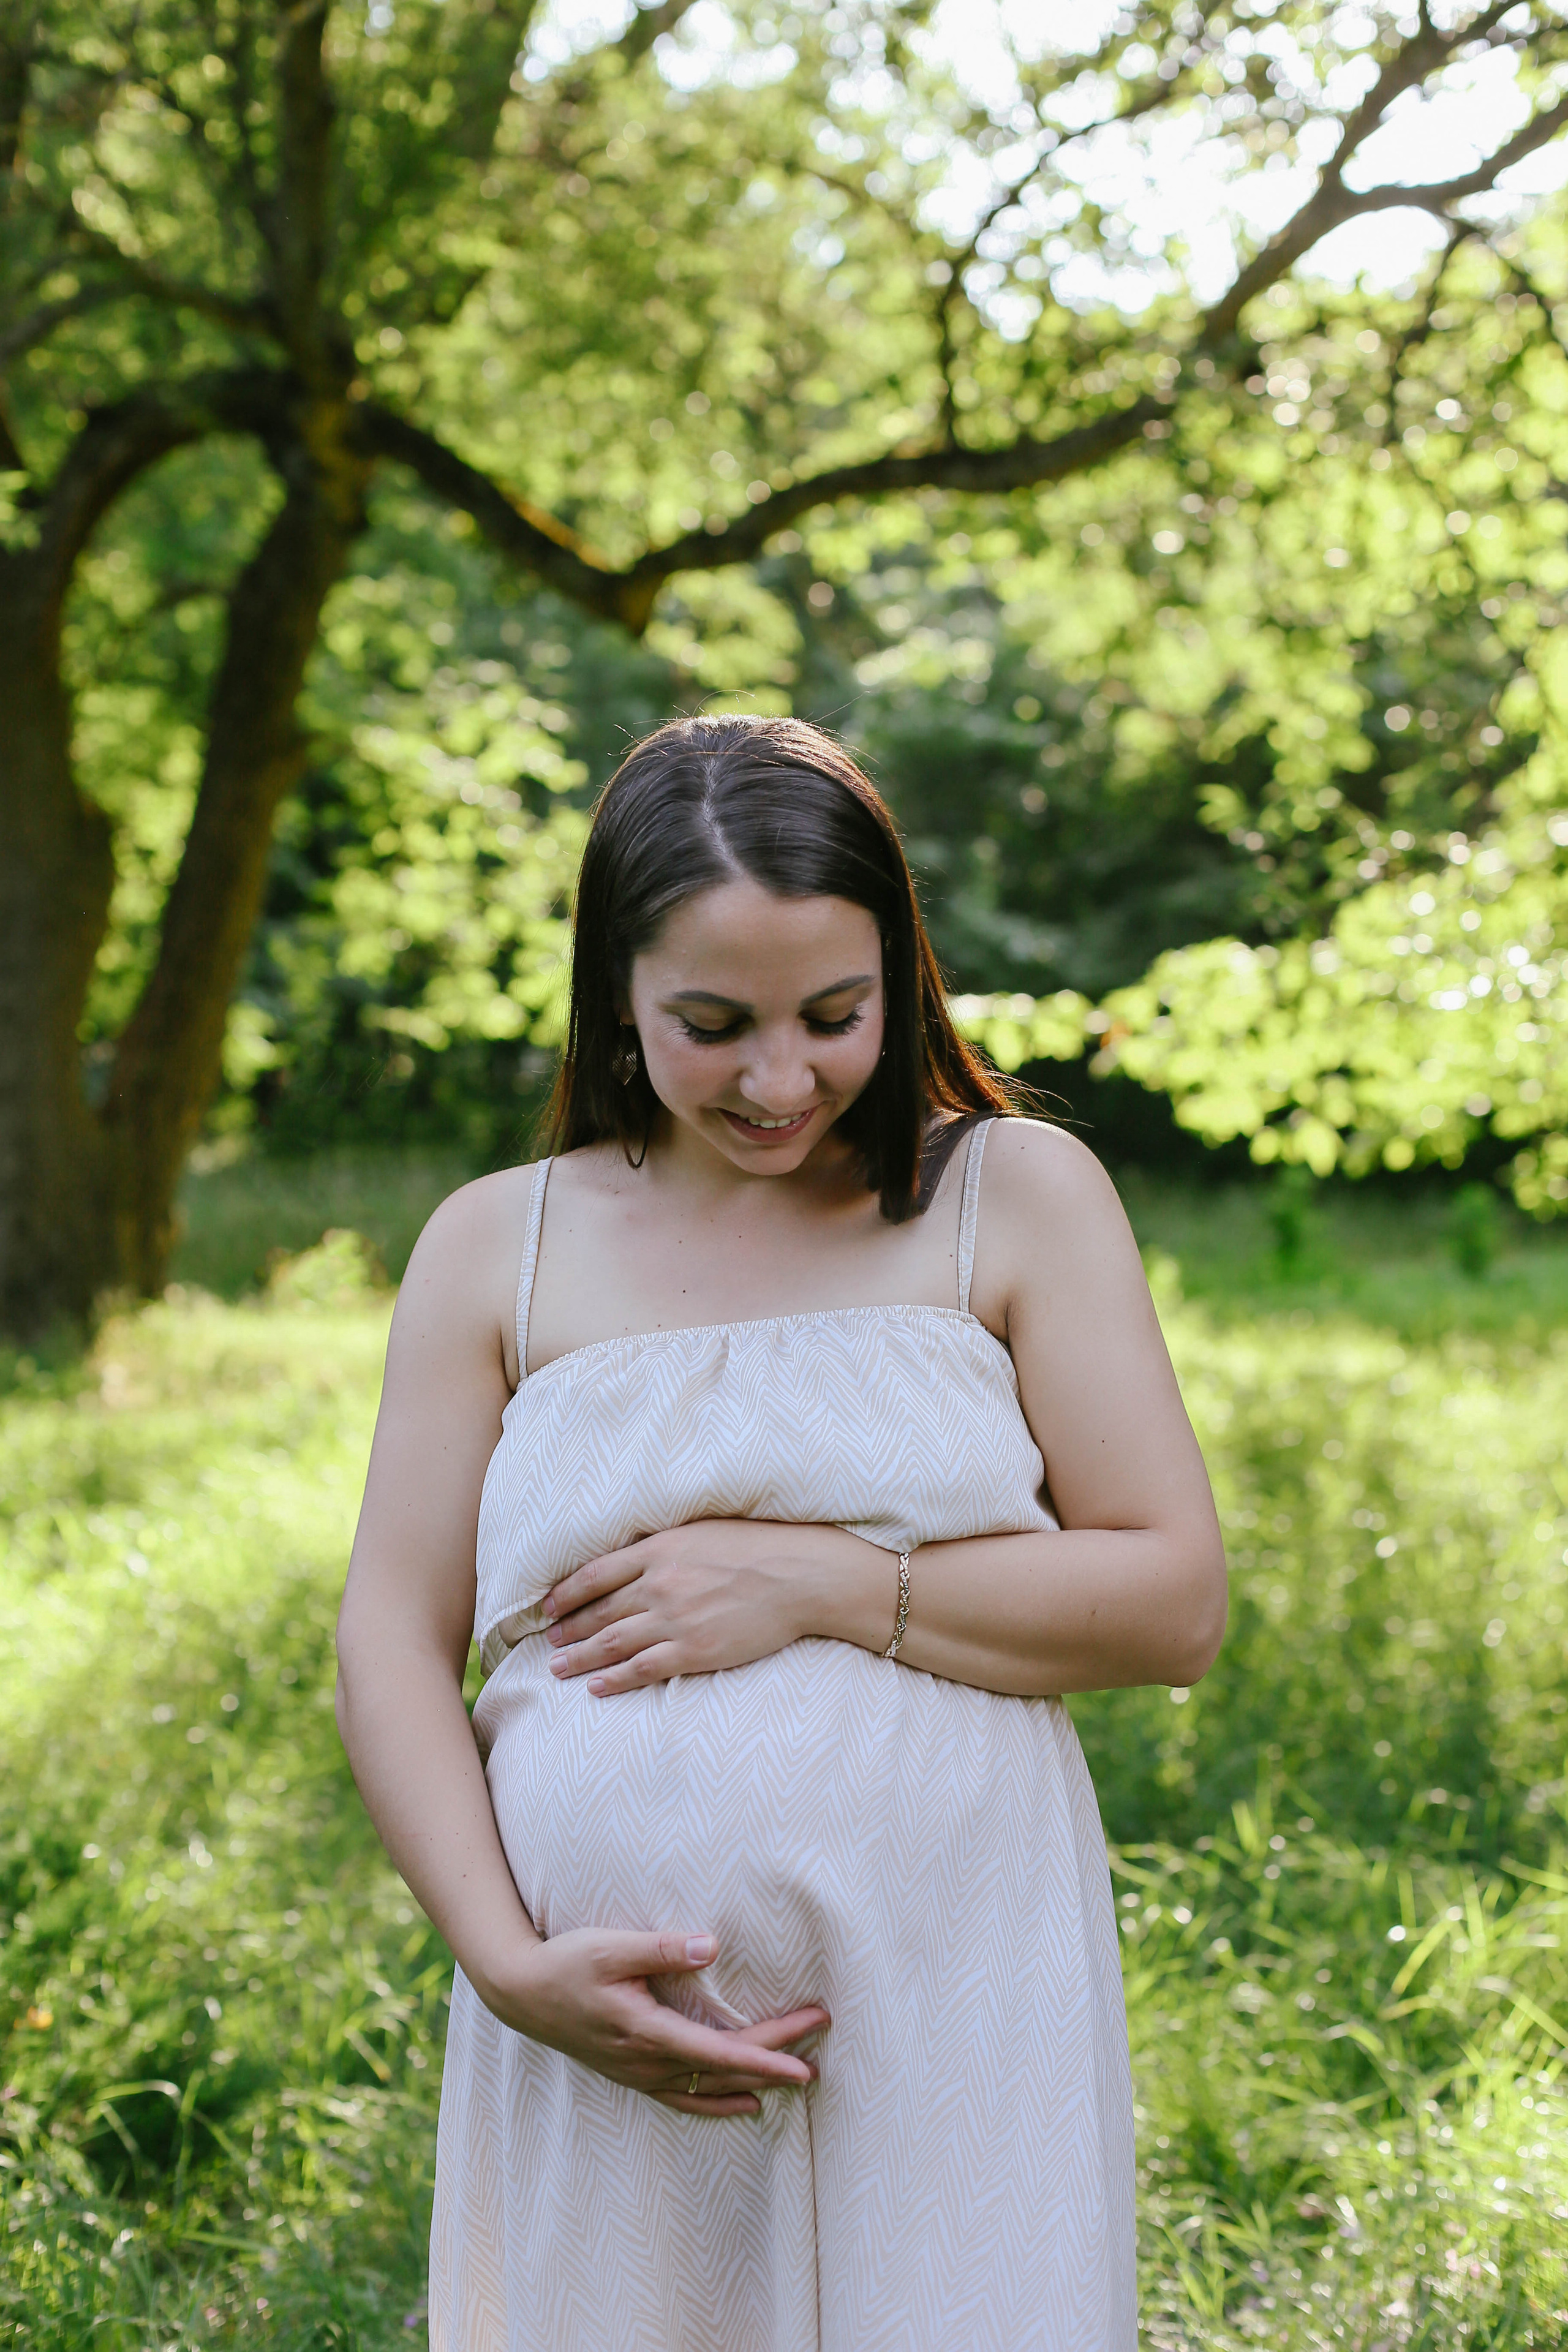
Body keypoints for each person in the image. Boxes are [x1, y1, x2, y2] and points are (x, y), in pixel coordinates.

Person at [335, 714, 1226, 2352]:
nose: (778, 1079)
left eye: (835, 1016)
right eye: (711, 1024)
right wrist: (506, 1961)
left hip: (952, 1987)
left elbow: (1173, 1599)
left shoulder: (1009, 1198)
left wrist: (820, 1583)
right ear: (617, 990)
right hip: (603, 2022)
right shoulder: (496, 1250)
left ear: (901, 974)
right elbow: (389, 1641)